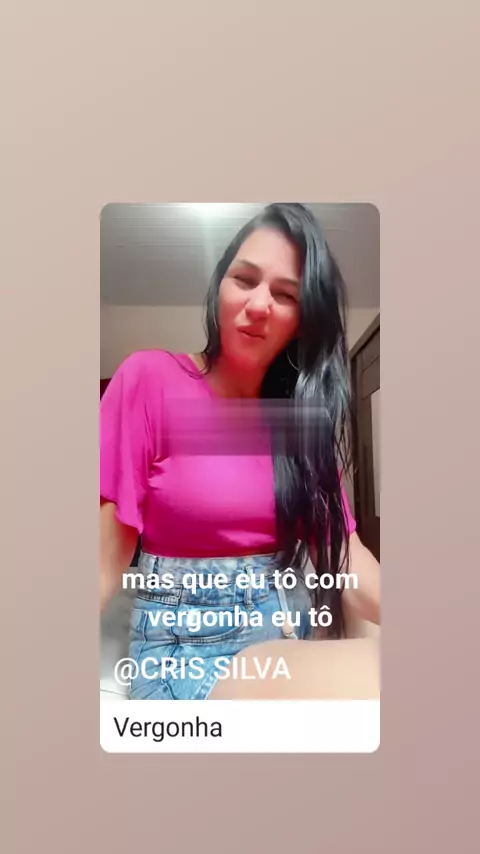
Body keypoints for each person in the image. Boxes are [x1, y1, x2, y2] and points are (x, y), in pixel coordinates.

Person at [100, 202, 380, 701]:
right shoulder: (150, 380)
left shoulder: (298, 425)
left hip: (290, 640)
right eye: (244, 279)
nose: (258, 304)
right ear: (220, 287)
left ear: (303, 320)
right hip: (187, 655)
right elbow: (104, 560)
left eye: (285, 294)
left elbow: (345, 563)